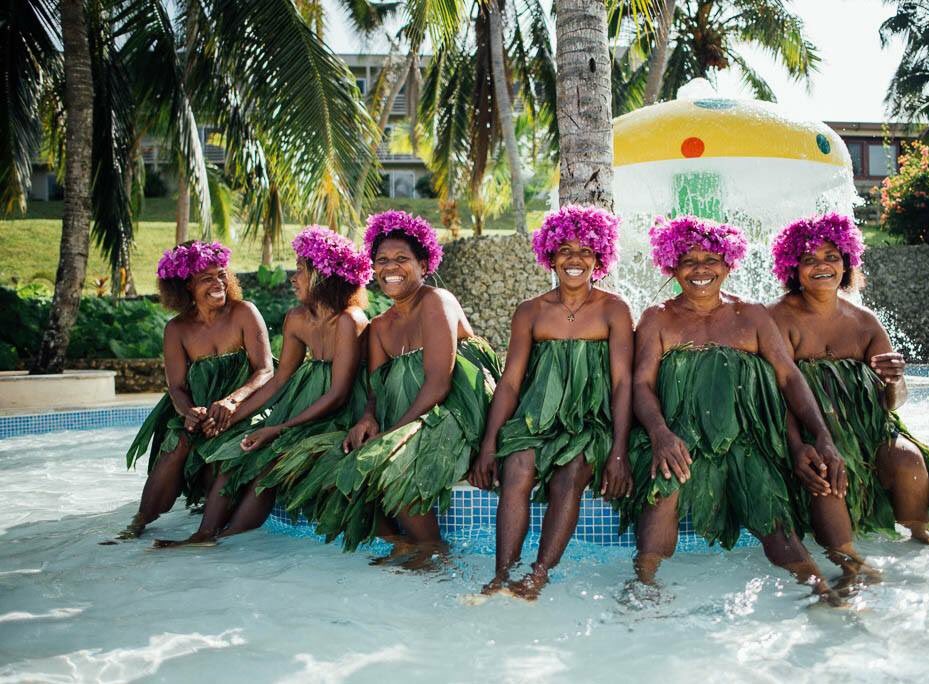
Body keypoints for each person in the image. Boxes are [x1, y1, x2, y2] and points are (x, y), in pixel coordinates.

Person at [627, 216, 845, 603]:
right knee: (665, 488)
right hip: (676, 435)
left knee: (771, 506)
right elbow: (641, 384)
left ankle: (820, 590)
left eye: (711, 260)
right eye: (688, 261)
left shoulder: (752, 315)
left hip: (745, 440)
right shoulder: (657, 317)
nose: (700, 269)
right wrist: (660, 435)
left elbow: (788, 377)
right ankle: (644, 585)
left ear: (728, 264)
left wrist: (821, 436)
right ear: (672, 266)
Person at [288, 211, 501, 566]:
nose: (391, 267)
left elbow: (439, 382)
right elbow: (375, 388)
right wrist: (368, 418)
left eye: (402, 259)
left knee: (390, 459)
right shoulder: (380, 326)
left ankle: (432, 551)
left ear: (423, 265)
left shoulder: (437, 301)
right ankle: (401, 543)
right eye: (383, 260)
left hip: (456, 410)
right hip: (414, 414)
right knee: (337, 459)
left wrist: (392, 435)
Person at [153, 227, 371, 547]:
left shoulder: (350, 320)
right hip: (304, 405)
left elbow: (338, 394)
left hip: (340, 410)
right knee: (239, 453)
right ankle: (205, 535)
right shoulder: (296, 318)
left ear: (322, 276)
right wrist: (233, 417)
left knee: (267, 464)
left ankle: (225, 538)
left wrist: (278, 429)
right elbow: (280, 379)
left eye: (300, 270)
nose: (293, 278)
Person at [767, 213, 929, 574]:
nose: (822, 266)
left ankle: (919, 536)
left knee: (909, 460)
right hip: (805, 431)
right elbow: (775, 392)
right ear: (793, 268)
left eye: (832, 257)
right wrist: (796, 445)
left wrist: (894, 380)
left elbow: (893, 402)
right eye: (809, 259)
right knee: (826, 469)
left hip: (868, 431)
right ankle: (845, 559)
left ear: (846, 263)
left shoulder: (864, 322)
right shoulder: (777, 319)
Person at [468, 205, 633, 600]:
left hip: (589, 422)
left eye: (586, 251)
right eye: (565, 250)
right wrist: (489, 445)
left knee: (570, 475)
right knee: (517, 467)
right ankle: (501, 575)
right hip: (536, 419)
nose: (575, 259)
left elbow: (623, 383)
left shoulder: (614, 309)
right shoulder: (531, 311)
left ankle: (537, 576)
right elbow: (510, 382)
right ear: (550, 255)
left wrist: (619, 451)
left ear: (599, 257)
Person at [117, 241, 273, 540]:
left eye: (222, 275)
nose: (218, 283)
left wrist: (232, 401)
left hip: (248, 405)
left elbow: (265, 370)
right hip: (202, 412)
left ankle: (207, 531)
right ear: (186, 286)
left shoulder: (244, 312)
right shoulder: (176, 329)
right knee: (176, 443)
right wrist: (189, 412)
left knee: (229, 448)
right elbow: (176, 387)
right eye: (206, 278)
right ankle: (139, 521)